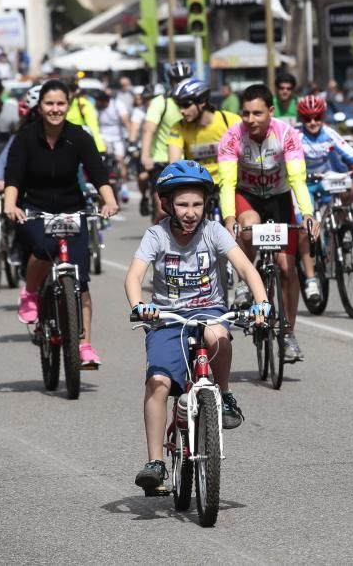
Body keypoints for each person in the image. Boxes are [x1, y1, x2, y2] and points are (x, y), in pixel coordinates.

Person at [125, 160, 271, 491]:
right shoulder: (156, 235)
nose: (190, 212)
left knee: (218, 334)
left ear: (206, 203)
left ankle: (225, 395)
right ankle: (155, 462)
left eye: (197, 204)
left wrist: (262, 303)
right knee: (159, 382)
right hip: (167, 318)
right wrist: (140, 306)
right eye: (182, 204)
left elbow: (247, 269)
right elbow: (134, 276)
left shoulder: (214, 231)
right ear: (166, 204)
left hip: (209, 312)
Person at [3, 80, 119, 367]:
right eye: (49, 104)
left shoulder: (78, 136)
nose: (55, 109)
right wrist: (10, 204)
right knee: (42, 249)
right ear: (40, 107)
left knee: (80, 282)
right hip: (36, 209)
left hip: (73, 210)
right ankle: (30, 293)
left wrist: (109, 200)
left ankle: (84, 345)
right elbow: (14, 176)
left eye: (60, 104)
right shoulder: (26, 138)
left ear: (67, 105)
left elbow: (98, 173)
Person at [218, 84, 317, 362]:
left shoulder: (287, 135)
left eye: (257, 113)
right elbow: (227, 182)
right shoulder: (232, 137)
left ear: (271, 112)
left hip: (279, 197)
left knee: (287, 268)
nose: (250, 120)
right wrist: (228, 218)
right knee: (247, 226)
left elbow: (298, 178)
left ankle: (288, 334)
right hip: (246, 195)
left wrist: (307, 214)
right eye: (246, 113)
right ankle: (245, 281)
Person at [296, 93, 353, 301]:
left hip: (325, 179)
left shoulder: (329, 133)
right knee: (306, 229)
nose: (312, 122)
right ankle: (311, 279)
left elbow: (347, 150)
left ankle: (340, 231)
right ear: (302, 120)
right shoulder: (295, 137)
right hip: (303, 184)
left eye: (317, 118)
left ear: (323, 117)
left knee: (347, 189)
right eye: (307, 119)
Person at [141, 61, 193, 220]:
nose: (180, 84)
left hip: (190, 161)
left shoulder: (196, 103)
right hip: (162, 162)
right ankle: (158, 242)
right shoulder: (160, 102)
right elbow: (149, 129)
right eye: (176, 80)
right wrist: (145, 156)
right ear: (170, 82)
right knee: (163, 211)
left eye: (185, 80)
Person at [168, 79, 239, 184]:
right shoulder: (179, 127)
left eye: (186, 105)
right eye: (179, 106)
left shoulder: (230, 121)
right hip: (199, 185)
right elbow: (174, 164)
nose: (182, 111)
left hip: (230, 182)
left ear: (202, 102)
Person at [94, 89, 132, 202]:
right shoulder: (97, 108)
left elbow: (125, 121)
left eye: (100, 102)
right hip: (103, 137)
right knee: (104, 159)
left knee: (120, 160)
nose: (99, 104)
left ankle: (124, 187)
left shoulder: (117, 105)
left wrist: (130, 136)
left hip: (118, 137)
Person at [66, 80, 107, 153]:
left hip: (79, 145)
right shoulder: (55, 105)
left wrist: (100, 149)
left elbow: (93, 127)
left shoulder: (83, 104)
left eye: (69, 91)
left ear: (75, 92)